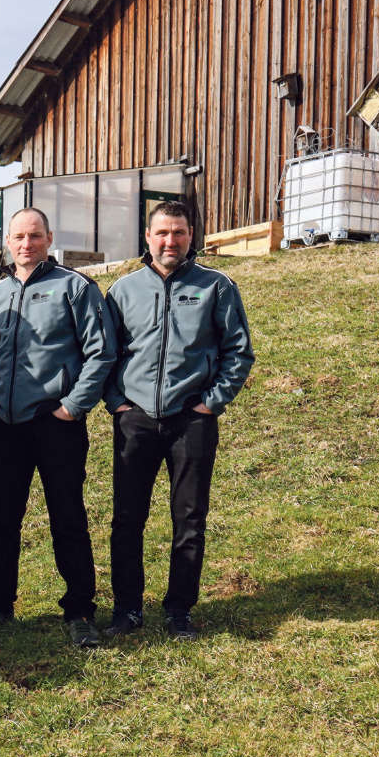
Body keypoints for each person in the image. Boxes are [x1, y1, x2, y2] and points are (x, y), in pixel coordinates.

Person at [0, 207, 116, 648]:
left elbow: (100, 352)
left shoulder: (75, 288)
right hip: (3, 427)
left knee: (68, 517)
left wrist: (72, 407)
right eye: (18, 237)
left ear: (49, 238)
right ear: (7, 242)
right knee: (3, 520)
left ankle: (80, 611)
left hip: (56, 424)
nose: (26, 244)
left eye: (34, 236)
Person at [103, 201, 255, 640]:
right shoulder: (122, 291)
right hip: (135, 419)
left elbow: (238, 352)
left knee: (189, 519)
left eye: (180, 232)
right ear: (148, 237)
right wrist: (116, 402)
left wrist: (211, 402)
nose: (171, 241)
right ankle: (127, 610)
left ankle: (179, 610)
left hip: (192, 420)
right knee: (127, 519)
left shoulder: (216, 286)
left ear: (191, 236)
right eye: (163, 233)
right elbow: (104, 353)